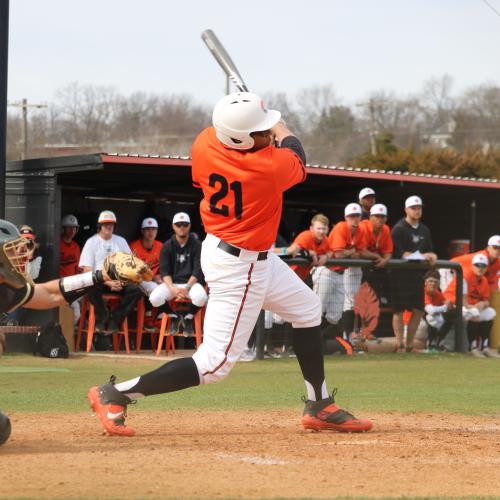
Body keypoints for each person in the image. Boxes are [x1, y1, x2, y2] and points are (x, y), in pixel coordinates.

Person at [87, 91, 373, 437]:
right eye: (261, 131)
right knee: (213, 365)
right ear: (241, 139)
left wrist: (255, 119)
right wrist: (281, 127)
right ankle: (117, 393)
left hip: (237, 251)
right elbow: (297, 153)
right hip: (242, 266)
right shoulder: (267, 167)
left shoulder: (205, 143)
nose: (268, 134)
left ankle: (319, 404)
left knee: (308, 310)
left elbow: (236, 141)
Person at [0, 218, 139, 446]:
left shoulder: (5, 289)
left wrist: (99, 276)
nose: (19, 256)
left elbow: (50, 294)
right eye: (10, 251)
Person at [79, 211, 143, 343]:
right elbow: (87, 270)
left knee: (137, 289)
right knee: (89, 285)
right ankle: (103, 318)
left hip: (119, 281)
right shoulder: (91, 242)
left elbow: (129, 266)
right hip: (100, 281)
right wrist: (108, 282)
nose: (108, 227)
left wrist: (121, 281)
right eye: (105, 224)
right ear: (100, 226)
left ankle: (115, 318)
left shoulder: (121, 241)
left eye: (111, 224)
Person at [390, 196, 437, 353]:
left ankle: (409, 344)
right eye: (413, 208)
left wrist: (432, 255)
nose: (417, 210)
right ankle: (399, 344)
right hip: (400, 276)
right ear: (406, 210)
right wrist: (423, 256)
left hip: (417, 277)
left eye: (419, 208)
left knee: (418, 310)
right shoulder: (398, 229)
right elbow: (400, 253)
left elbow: (429, 250)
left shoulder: (425, 229)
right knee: (398, 311)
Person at [149, 212, 207, 336]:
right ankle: (173, 316)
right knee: (154, 298)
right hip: (173, 284)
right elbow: (165, 271)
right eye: (178, 225)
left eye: (185, 224)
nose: (181, 227)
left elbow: (198, 270)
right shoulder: (167, 246)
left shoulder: (197, 244)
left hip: (191, 284)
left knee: (202, 297)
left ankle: (189, 318)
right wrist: (172, 289)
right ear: (173, 226)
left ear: (189, 226)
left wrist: (187, 288)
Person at [287, 214, 339, 325]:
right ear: (311, 228)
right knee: (277, 317)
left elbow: (331, 251)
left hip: (305, 281)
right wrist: (309, 253)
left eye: (324, 229)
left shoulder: (326, 240)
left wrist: (327, 256)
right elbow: (291, 251)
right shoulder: (306, 236)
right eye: (318, 228)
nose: (321, 231)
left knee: (299, 313)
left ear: (328, 229)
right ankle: (268, 342)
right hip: (290, 278)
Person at [443, 253, 498, 357]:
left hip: (469, 306)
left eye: (483, 266)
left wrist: (483, 304)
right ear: (472, 266)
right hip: (454, 304)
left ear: (486, 268)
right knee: (474, 313)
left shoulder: (484, 280)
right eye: (477, 265)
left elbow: (486, 300)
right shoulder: (465, 276)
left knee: (491, 313)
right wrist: (475, 307)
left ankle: (484, 347)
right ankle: (472, 347)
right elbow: (463, 302)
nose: (480, 268)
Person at [328, 203, 369, 340]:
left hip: (341, 273)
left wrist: (351, 252)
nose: (355, 219)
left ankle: (344, 339)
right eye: (352, 216)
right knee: (322, 306)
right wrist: (352, 251)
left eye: (357, 216)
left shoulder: (360, 230)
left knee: (339, 308)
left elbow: (361, 252)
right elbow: (339, 254)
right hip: (327, 270)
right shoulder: (341, 227)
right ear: (346, 217)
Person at [359, 203, 393, 304]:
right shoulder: (363, 227)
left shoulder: (386, 229)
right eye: (376, 216)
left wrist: (384, 260)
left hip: (374, 269)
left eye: (382, 216)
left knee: (373, 302)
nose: (380, 219)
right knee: (355, 303)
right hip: (358, 269)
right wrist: (377, 256)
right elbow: (361, 251)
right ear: (370, 217)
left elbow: (388, 251)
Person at [423, 270, 454, 352]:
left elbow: (446, 303)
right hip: (414, 322)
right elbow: (430, 310)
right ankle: (430, 344)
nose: (433, 284)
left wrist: (449, 304)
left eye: (435, 282)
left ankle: (437, 342)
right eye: (430, 281)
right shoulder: (423, 292)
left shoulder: (437, 293)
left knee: (452, 314)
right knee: (432, 317)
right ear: (425, 283)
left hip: (426, 321)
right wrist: (445, 307)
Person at [60, 214, 82, 324]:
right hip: (60, 284)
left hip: (73, 285)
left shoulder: (76, 247)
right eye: (69, 227)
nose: (72, 230)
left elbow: (78, 269)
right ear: (63, 229)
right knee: (74, 311)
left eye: (74, 228)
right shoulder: (57, 244)